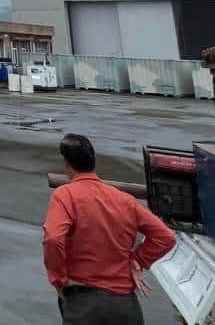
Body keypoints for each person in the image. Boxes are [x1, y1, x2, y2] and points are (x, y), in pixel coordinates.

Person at [42, 134, 176, 324]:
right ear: (93, 162)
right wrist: (137, 259)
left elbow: (53, 239)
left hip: (84, 304)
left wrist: (59, 279)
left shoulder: (65, 195)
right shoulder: (126, 200)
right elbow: (166, 237)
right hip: (125, 306)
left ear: (66, 162)